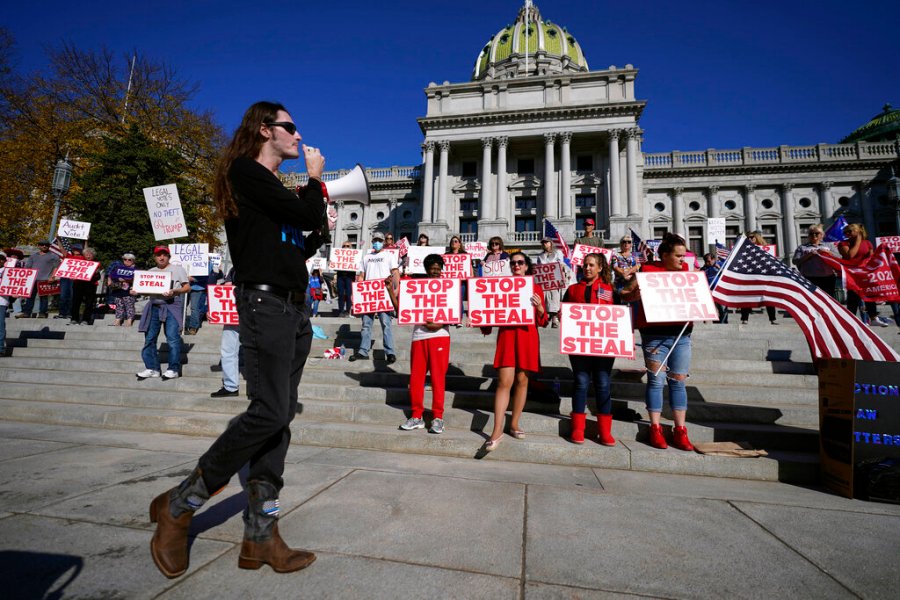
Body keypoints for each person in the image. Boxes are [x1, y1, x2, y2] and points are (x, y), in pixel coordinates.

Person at [148, 101, 325, 578]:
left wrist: (314, 200)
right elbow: (308, 215)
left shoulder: (272, 192)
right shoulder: (245, 173)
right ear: (265, 129)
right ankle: (180, 505)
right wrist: (313, 181)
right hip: (264, 304)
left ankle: (260, 536)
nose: (298, 135)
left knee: (279, 417)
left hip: (294, 308)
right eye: (290, 126)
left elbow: (311, 235)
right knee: (268, 411)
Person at [621, 233, 695, 451]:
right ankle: (655, 427)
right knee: (655, 381)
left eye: (684, 255)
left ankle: (680, 430)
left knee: (678, 380)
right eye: (678, 255)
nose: (683, 259)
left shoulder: (688, 274)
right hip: (654, 334)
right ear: (665, 255)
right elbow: (624, 293)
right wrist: (636, 294)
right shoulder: (648, 271)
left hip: (681, 334)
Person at [481, 251, 549, 451]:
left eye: (520, 262)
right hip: (508, 337)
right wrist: (481, 321)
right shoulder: (501, 285)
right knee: (504, 382)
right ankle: (496, 429)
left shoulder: (536, 288)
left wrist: (540, 309)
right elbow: (491, 311)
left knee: (522, 381)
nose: (516, 265)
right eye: (513, 263)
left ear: (527, 266)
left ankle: (514, 423)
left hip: (527, 337)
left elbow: (543, 321)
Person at [386, 254, 450, 434]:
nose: (435, 271)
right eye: (432, 268)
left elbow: (454, 312)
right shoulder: (416, 287)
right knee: (416, 378)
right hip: (419, 337)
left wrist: (440, 324)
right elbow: (401, 311)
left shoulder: (448, 287)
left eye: (438, 268)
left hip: (440, 336)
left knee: (438, 378)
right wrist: (391, 290)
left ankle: (438, 417)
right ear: (427, 269)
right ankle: (416, 416)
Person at [562, 253, 617, 445]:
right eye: (585, 265)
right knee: (581, 382)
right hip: (579, 345)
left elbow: (619, 315)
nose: (587, 268)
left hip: (603, 346)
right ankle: (578, 428)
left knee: (602, 383)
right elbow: (564, 314)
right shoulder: (572, 289)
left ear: (600, 268)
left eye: (591, 265)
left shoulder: (610, 290)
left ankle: (605, 431)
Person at [134, 246, 190, 380]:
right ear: (155, 257)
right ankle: (152, 368)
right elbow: (146, 290)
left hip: (172, 305)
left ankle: (173, 369)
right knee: (149, 338)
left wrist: (174, 291)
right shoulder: (151, 271)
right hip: (154, 305)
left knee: (172, 338)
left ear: (168, 257)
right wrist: (137, 291)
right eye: (159, 255)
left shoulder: (178, 269)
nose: (161, 257)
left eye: (164, 254)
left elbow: (187, 287)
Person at [350, 232, 400, 363]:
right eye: (375, 240)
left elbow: (395, 272)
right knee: (366, 325)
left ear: (383, 241)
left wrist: (397, 288)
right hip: (368, 295)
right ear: (372, 241)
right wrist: (356, 293)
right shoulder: (366, 257)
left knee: (386, 324)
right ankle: (363, 351)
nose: (377, 242)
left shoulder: (389, 255)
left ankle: (390, 352)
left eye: (379, 240)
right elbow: (361, 275)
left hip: (383, 294)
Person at [837, 223, 882, 326]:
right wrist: (857, 241)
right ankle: (851, 318)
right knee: (853, 296)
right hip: (851, 274)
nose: (847, 234)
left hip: (864, 274)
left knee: (869, 294)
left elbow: (871, 258)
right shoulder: (843, 243)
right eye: (845, 232)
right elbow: (849, 256)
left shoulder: (867, 243)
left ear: (858, 232)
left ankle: (873, 317)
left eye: (849, 231)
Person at [211, 267, 240, 398]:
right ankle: (230, 386)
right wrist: (215, 309)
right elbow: (226, 289)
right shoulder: (235, 269)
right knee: (228, 351)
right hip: (233, 315)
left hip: (258, 315)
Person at [739, 231, 777, 325]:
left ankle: (772, 319)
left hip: (763, 275)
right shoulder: (743, 249)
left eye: (752, 237)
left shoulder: (765, 249)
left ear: (757, 238)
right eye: (748, 237)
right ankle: (744, 318)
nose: (750, 239)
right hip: (749, 275)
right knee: (746, 297)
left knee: (768, 297)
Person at [792, 224, 838, 298]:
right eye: (811, 233)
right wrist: (809, 254)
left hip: (827, 278)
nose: (814, 235)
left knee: (828, 298)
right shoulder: (802, 247)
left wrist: (828, 253)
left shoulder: (829, 245)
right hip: (809, 278)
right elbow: (795, 261)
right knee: (811, 298)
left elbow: (838, 258)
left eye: (816, 233)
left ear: (821, 235)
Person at [19, 241, 60, 318]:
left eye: (46, 245)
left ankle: (42, 313)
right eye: (42, 244)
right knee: (30, 297)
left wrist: (53, 277)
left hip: (45, 279)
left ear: (49, 246)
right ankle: (27, 313)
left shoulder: (53, 256)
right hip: (32, 279)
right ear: (38, 246)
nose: (44, 246)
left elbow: (56, 267)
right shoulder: (33, 256)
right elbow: (27, 267)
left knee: (44, 298)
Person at [534, 236, 568, 327]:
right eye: (543, 242)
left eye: (547, 242)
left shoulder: (557, 253)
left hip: (554, 279)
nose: (545, 244)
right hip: (544, 281)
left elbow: (561, 264)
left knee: (554, 298)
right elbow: (538, 268)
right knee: (544, 298)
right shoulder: (540, 256)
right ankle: (544, 319)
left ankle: (554, 319)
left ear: (550, 243)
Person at [69, 248, 101, 325]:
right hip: (78, 284)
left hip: (90, 285)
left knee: (89, 303)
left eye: (90, 254)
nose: (88, 256)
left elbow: (98, 277)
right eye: (87, 254)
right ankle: (74, 318)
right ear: (84, 255)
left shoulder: (96, 264)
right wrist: (72, 275)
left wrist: (96, 273)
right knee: (76, 302)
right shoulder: (79, 262)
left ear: (93, 256)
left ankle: (86, 319)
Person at [54, 244, 83, 320]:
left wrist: (86, 241)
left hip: (75, 280)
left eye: (77, 249)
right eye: (74, 249)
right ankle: (62, 313)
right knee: (63, 296)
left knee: (72, 296)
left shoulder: (83, 258)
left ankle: (69, 313)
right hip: (65, 278)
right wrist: (58, 240)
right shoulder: (69, 256)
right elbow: (62, 249)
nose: (76, 250)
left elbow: (86, 249)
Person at [107, 253, 137, 326]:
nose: (127, 261)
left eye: (129, 260)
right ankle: (118, 320)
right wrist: (112, 279)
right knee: (119, 305)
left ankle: (129, 320)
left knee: (129, 305)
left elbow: (137, 279)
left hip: (129, 290)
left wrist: (125, 279)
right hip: (118, 289)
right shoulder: (119, 268)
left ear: (133, 261)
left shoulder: (136, 269)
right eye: (125, 259)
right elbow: (111, 275)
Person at [185, 263, 212, 335]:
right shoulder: (188, 258)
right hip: (184, 286)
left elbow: (206, 276)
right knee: (182, 306)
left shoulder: (207, 262)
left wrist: (192, 279)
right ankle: (181, 326)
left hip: (198, 288)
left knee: (194, 308)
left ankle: (193, 327)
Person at [700, 253, 727, 323]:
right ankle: (715, 321)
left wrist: (720, 268)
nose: (708, 263)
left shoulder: (719, 264)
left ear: (713, 259)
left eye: (709, 261)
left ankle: (724, 320)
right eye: (706, 261)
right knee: (713, 307)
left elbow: (726, 274)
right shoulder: (704, 268)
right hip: (710, 290)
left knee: (722, 307)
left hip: (720, 290)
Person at [335, 241, 356, 317]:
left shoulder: (354, 255)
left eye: (347, 246)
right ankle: (341, 311)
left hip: (349, 276)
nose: (345, 247)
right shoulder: (338, 255)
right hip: (340, 276)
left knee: (348, 294)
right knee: (340, 294)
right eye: (344, 246)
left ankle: (348, 311)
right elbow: (334, 267)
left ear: (350, 247)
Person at [0, 251, 7, 356]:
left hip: (2, 301)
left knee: (0, 326)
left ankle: (1, 348)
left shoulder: (8, 271)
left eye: (2, 259)